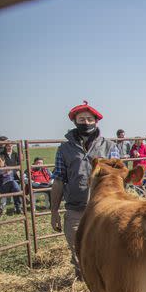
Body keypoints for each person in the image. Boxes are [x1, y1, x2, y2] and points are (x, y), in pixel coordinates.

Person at [50, 101, 119, 278]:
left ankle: (104, 287)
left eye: (89, 119)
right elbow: (58, 180)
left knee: (107, 251)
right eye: (82, 119)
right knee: (79, 252)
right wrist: (54, 211)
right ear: (75, 121)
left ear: (96, 121)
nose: (86, 122)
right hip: (76, 209)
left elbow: (117, 179)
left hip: (104, 210)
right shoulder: (64, 149)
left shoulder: (109, 147)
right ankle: (85, 283)